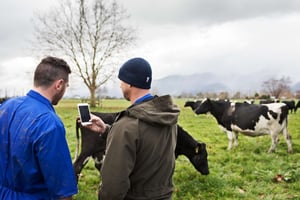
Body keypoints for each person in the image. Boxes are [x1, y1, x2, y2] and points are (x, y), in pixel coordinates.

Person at [86, 57, 180, 200]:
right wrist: (106, 130)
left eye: (121, 81)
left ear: (129, 83)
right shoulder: (167, 117)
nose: (120, 86)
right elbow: (146, 144)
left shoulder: (126, 126)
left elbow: (113, 187)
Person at [0, 56, 78, 199]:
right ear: (59, 84)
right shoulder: (50, 123)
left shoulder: (6, 106)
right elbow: (62, 187)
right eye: (66, 86)